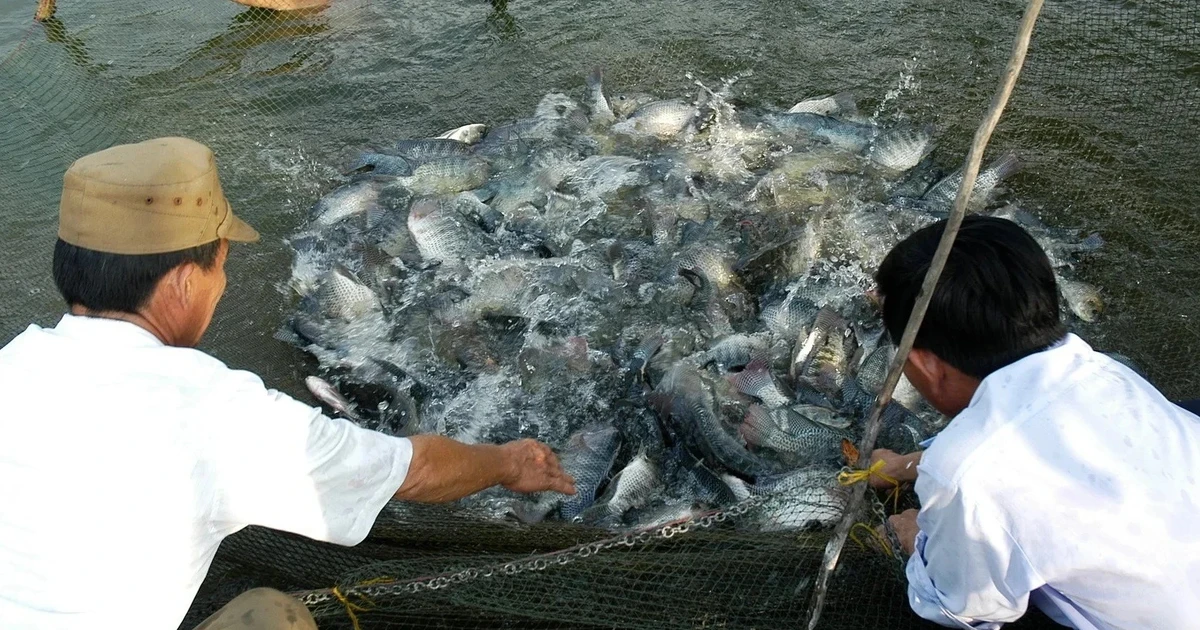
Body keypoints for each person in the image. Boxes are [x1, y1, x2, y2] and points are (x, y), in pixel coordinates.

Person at [0, 137, 576, 630]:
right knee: (276, 616)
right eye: (220, 265)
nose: (221, 285)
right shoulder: (215, 411)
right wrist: (508, 462)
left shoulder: (12, 363)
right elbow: (414, 470)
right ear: (183, 281)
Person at [864, 215, 1200, 629]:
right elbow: (1028, 441)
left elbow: (958, 610)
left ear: (926, 365)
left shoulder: (963, 477)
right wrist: (907, 465)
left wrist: (916, 538)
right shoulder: (1108, 373)